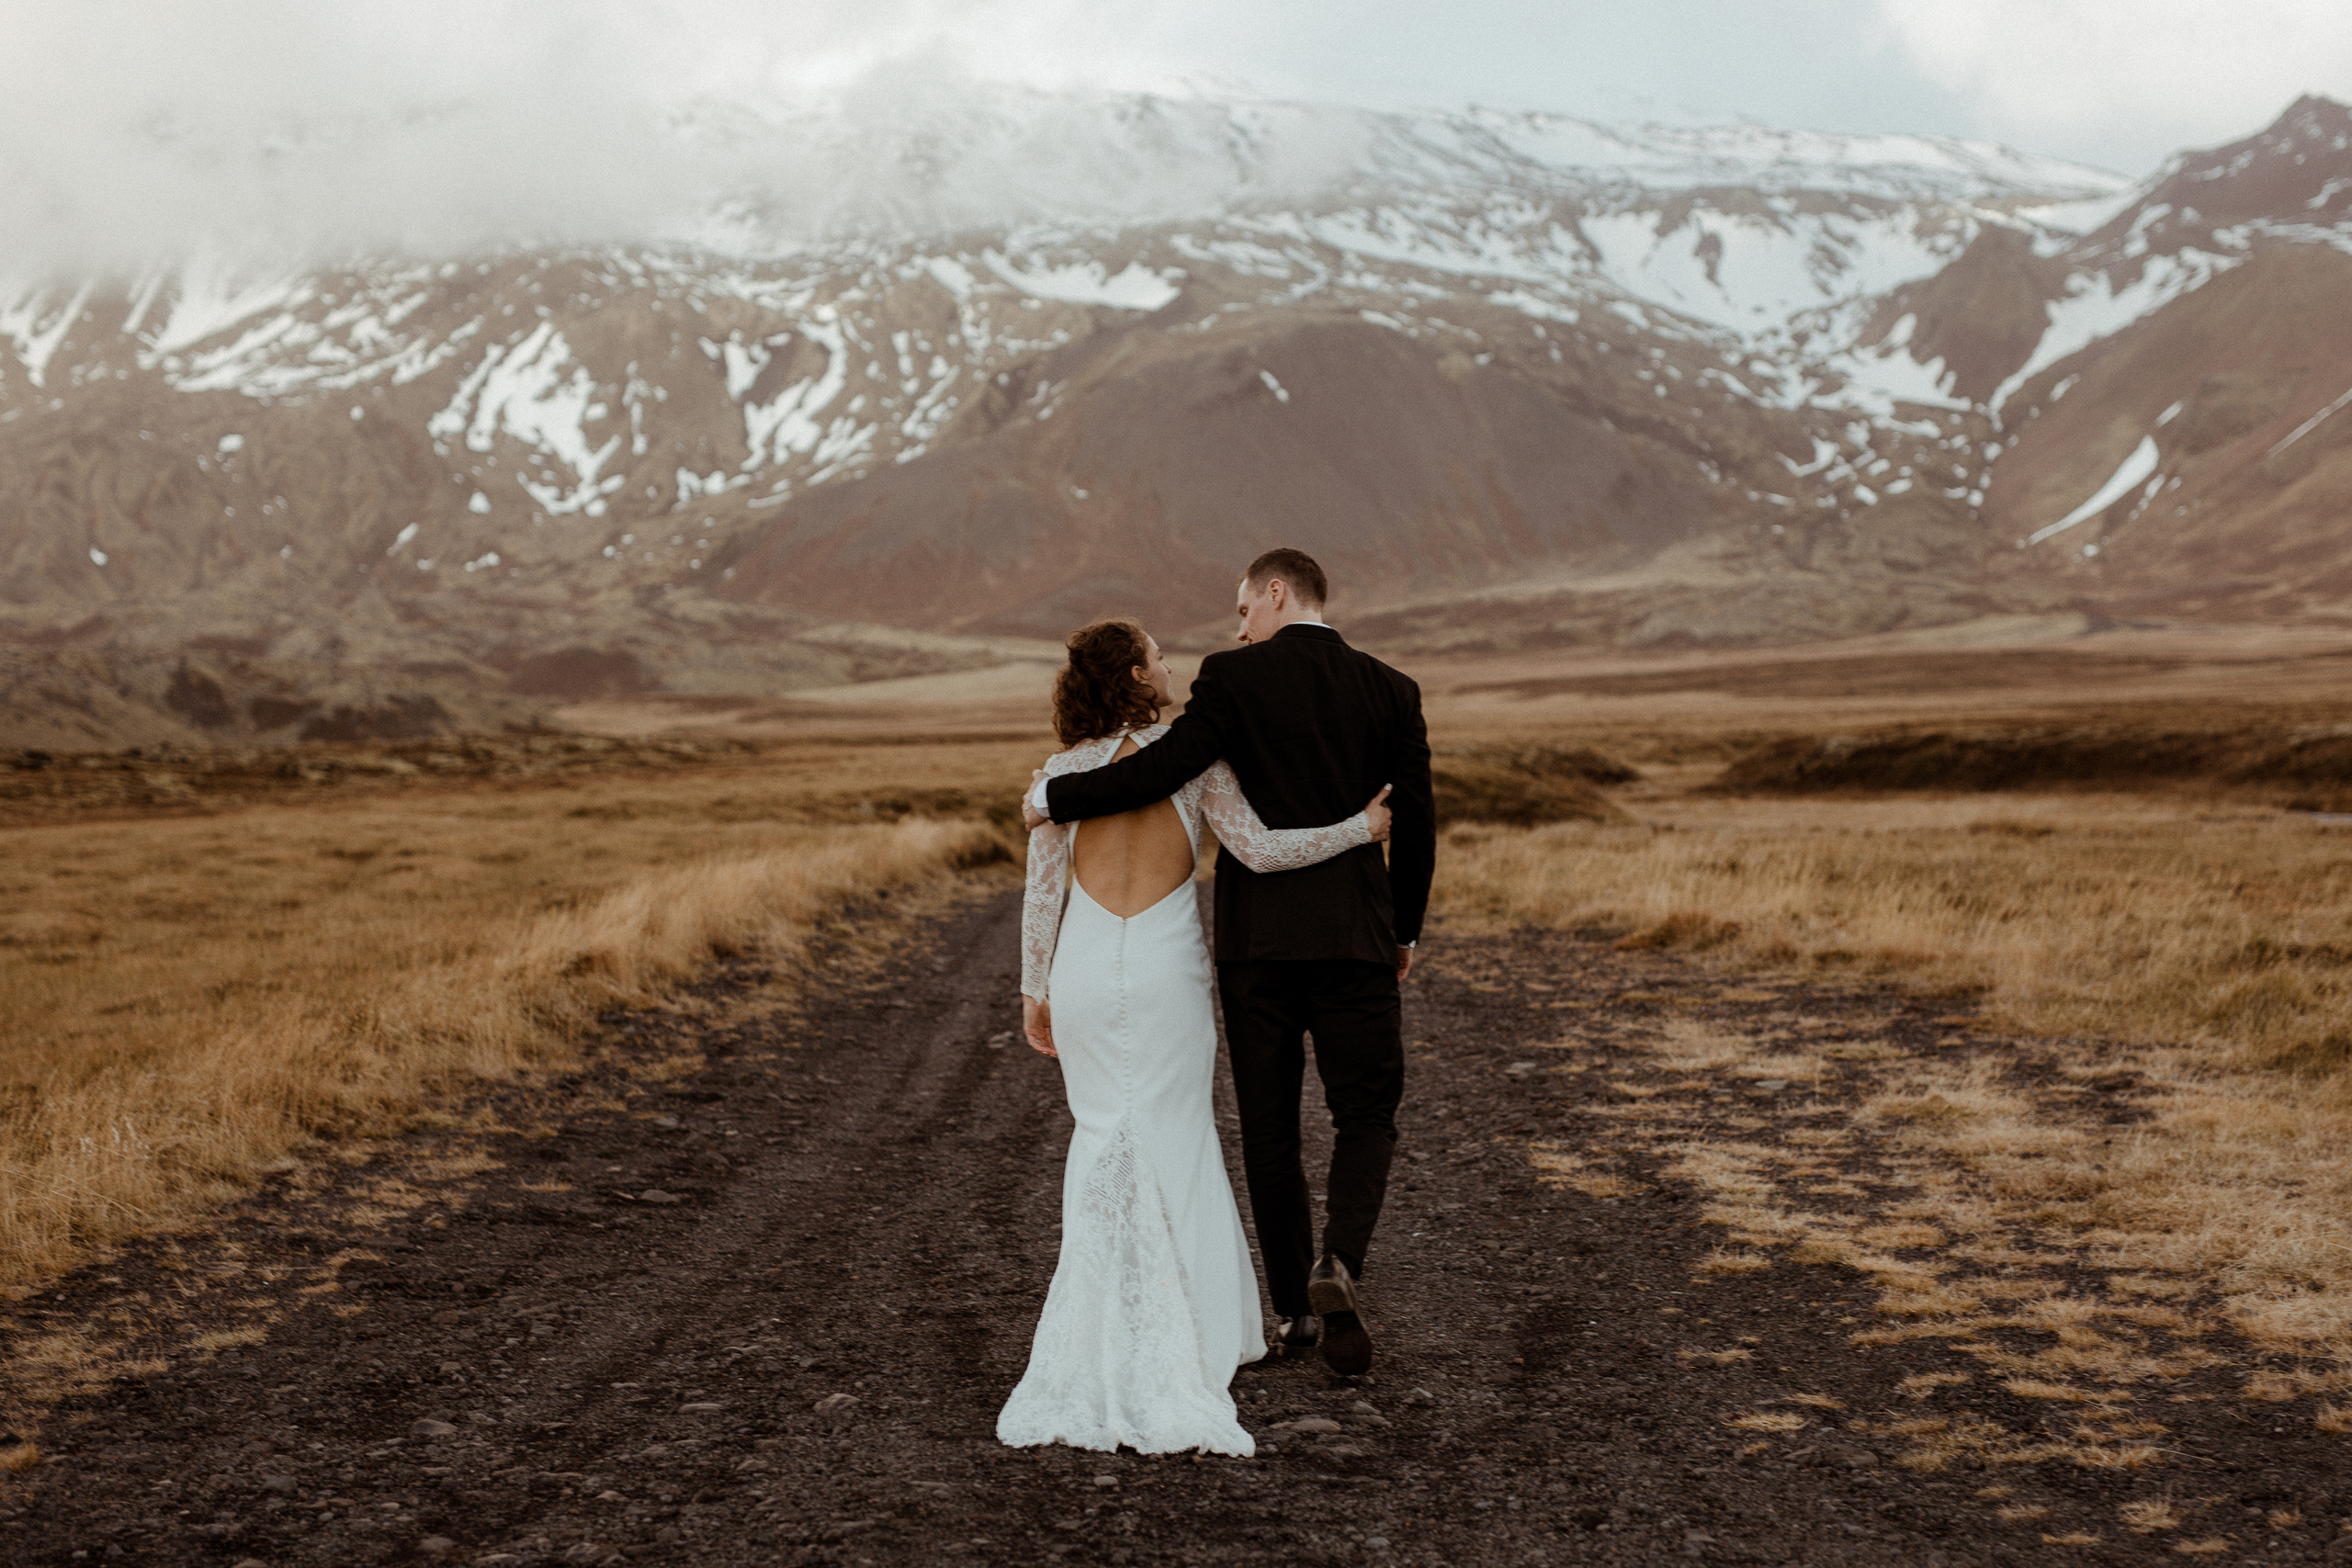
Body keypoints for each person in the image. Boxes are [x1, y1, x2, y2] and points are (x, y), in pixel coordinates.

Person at [1023, 547, 1435, 1378]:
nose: (1237, 626)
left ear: (1275, 593)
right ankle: (1338, 1263)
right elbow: (1413, 820)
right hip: (1355, 933)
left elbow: (1153, 775)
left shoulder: (1230, 683)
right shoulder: (1394, 688)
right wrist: (1401, 925)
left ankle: (1291, 1311)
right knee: (1366, 1114)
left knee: (1265, 1130)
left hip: (1251, 954)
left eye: (1243, 609)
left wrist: (1052, 798)